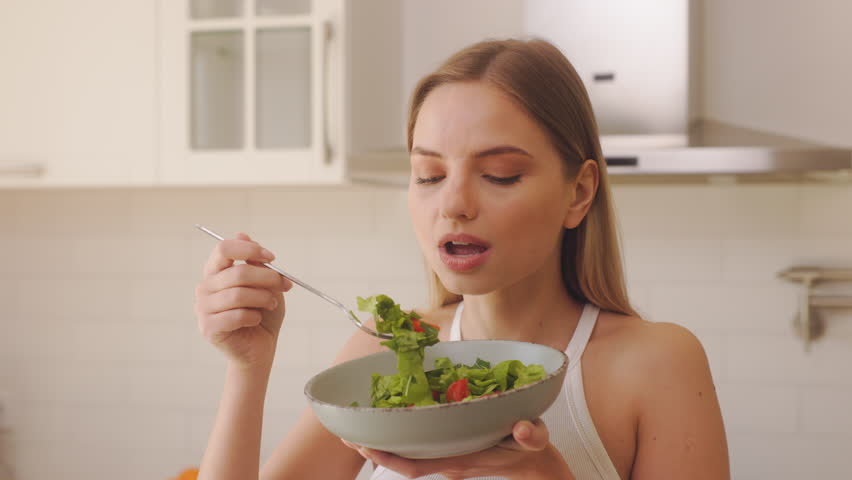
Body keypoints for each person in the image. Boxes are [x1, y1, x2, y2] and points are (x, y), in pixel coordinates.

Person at [193, 38, 730, 480]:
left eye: (499, 175)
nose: (452, 203)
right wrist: (247, 367)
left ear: (579, 192)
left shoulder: (658, 362)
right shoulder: (380, 348)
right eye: (429, 175)